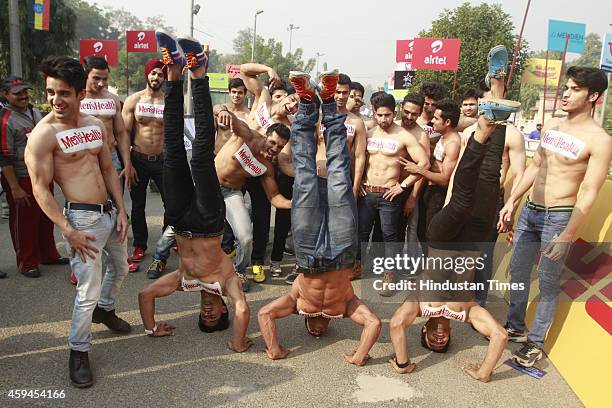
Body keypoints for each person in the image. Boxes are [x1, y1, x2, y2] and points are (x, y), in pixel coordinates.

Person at [389, 54, 521, 380]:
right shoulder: (468, 311)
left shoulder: (420, 306)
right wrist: (485, 371)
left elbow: (394, 325)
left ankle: (483, 128)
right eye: (443, 343)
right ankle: (498, 82)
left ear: (422, 333)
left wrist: (403, 363)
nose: (438, 338)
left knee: (462, 197)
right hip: (473, 239)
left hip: (442, 237)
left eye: (432, 341)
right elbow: (500, 336)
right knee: (489, 176)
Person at [257, 70, 381, 364]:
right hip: (341, 251)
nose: (317, 328)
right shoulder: (347, 308)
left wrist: (274, 348)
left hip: (308, 251)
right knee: (338, 172)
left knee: (304, 174)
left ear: (304, 322)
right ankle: (327, 103)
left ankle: (305, 103)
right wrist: (360, 355)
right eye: (321, 329)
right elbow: (374, 324)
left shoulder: (297, 303)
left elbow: (265, 314)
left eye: (312, 327)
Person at [137, 32, 251, 353]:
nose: (208, 313)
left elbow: (145, 296)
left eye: (204, 318)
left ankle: (174, 72)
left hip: (177, 219)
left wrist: (151, 328)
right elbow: (243, 309)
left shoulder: (183, 281)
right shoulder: (228, 282)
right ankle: (198, 72)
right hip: (207, 220)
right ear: (224, 309)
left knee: (171, 150)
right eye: (215, 317)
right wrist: (238, 342)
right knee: (201, 154)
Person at [25, 56, 132, 388]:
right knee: (87, 289)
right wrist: (67, 229)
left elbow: (107, 169)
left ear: (79, 94)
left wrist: (122, 209)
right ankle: (78, 350)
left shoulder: (94, 125)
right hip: (81, 219)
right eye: (50, 92)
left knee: (123, 267)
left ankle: (106, 309)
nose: (56, 100)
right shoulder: (44, 135)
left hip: (110, 213)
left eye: (64, 93)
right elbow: (40, 190)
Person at [499, 66, 611, 367]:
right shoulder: (551, 124)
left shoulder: (599, 140)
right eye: (567, 87)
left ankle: (535, 344)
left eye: (575, 89)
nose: (566, 93)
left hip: (559, 216)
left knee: (548, 281)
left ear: (594, 97)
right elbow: (536, 166)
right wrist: (512, 200)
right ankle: (515, 326)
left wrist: (566, 234)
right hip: (531, 210)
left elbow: (588, 191)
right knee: (519, 271)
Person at [357, 92, 430, 294]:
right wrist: (359, 181)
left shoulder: (404, 136)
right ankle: (358, 266)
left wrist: (404, 186)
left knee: (390, 236)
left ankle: (390, 276)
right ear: (374, 112)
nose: (384, 119)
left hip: (390, 195)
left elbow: (424, 163)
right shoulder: (369, 132)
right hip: (367, 192)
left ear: (394, 112)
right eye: (380, 115)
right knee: (362, 232)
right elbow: (358, 158)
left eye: (387, 115)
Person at [0, 76, 67, 278]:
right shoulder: (5, 119)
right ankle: (27, 262)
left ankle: (48, 254)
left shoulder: (34, 111)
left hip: (43, 175)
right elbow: (4, 157)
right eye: (17, 93)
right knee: (24, 222)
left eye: (25, 91)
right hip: (21, 178)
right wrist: (14, 187)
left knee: (47, 217)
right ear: (5, 95)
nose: (23, 96)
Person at [80, 56, 137, 275]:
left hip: (112, 158)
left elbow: (121, 133)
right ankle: (83, 263)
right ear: (85, 75)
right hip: (85, 162)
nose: (101, 83)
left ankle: (118, 257)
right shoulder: (77, 100)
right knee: (85, 210)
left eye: (105, 78)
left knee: (116, 207)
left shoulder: (112, 100)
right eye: (96, 78)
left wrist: (127, 162)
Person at [122, 59, 167, 276]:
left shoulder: (169, 101)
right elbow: (123, 135)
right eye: (153, 74)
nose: (156, 78)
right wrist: (128, 164)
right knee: (138, 205)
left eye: (160, 74)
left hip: (162, 159)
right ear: (147, 75)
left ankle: (170, 240)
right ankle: (140, 244)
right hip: (138, 158)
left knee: (172, 203)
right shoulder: (133, 100)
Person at [412, 99, 461, 252]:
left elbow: (446, 179)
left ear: (447, 122)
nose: (432, 121)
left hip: (439, 194)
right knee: (422, 232)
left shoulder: (452, 144)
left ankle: (434, 271)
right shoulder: (442, 137)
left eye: (436, 119)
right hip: (430, 190)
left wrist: (420, 170)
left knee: (431, 235)